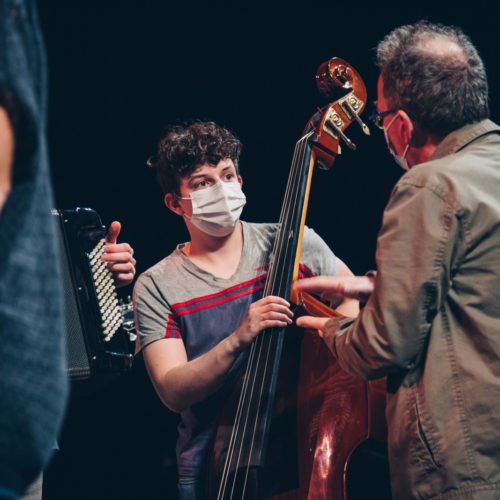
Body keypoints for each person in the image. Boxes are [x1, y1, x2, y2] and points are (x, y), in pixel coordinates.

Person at [294, 21, 500, 499]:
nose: (382, 129)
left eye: (380, 117)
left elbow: (381, 347)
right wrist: (376, 286)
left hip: (462, 465)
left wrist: (332, 331)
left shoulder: (428, 184)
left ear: (404, 125)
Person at [133, 120, 357, 498]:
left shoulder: (296, 243)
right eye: (202, 183)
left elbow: (349, 299)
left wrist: (331, 365)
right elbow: (173, 391)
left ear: (241, 181)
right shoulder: (157, 285)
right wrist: (237, 339)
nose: (221, 189)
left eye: (227, 175)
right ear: (175, 203)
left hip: (304, 448)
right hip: (211, 470)